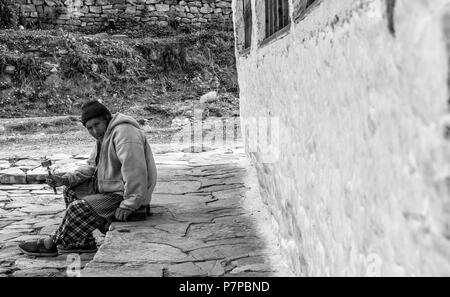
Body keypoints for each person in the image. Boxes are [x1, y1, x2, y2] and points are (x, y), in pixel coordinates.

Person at [19, 100, 157, 257]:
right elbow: (91, 167)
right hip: (111, 191)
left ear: (107, 118)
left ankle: (50, 243)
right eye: (89, 128)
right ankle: (82, 242)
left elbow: (136, 171)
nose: (94, 131)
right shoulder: (104, 136)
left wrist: (129, 204)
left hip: (123, 195)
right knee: (71, 190)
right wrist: (66, 179)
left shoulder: (125, 133)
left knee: (77, 208)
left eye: (96, 124)